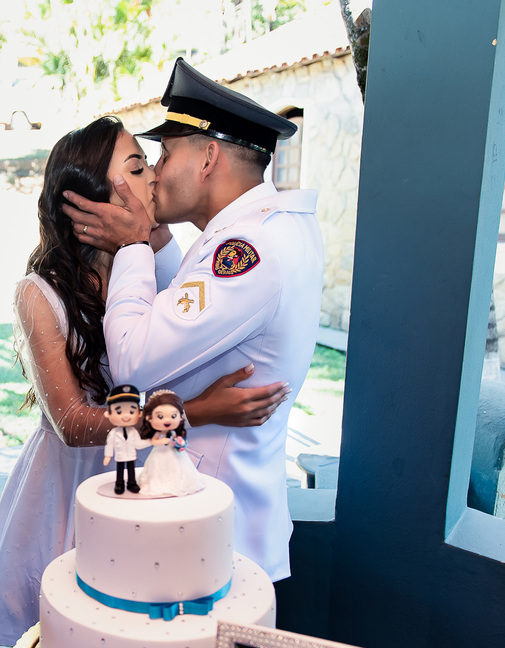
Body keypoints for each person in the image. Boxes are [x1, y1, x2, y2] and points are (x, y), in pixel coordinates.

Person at [0, 116, 290, 648]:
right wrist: (199, 411)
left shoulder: (157, 270)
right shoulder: (38, 294)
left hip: (140, 484)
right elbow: (72, 423)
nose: (155, 179)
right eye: (139, 167)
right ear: (92, 198)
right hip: (67, 492)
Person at [63, 58, 326, 581]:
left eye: (164, 153)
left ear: (208, 157)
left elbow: (134, 363)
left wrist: (134, 244)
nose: (155, 173)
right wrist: (154, 242)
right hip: (214, 524)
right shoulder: (261, 231)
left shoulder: (250, 251)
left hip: (213, 540)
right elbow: (190, 299)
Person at [138, 389, 204, 497]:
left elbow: (178, 439)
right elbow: (153, 441)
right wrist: (162, 441)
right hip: (160, 454)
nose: (167, 421)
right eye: (160, 417)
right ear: (149, 418)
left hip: (175, 454)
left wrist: (180, 442)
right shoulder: (158, 434)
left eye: (173, 416)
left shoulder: (173, 432)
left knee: (178, 469)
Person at [102, 384, 150, 494]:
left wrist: (150, 441)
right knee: (119, 470)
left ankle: (132, 483)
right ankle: (119, 484)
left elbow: (138, 444)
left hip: (131, 455)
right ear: (108, 414)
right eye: (119, 412)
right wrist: (108, 455)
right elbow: (109, 444)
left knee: (131, 470)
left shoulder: (133, 432)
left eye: (131, 411)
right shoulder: (114, 433)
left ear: (139, 413)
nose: (126, 416)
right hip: (119, 456)